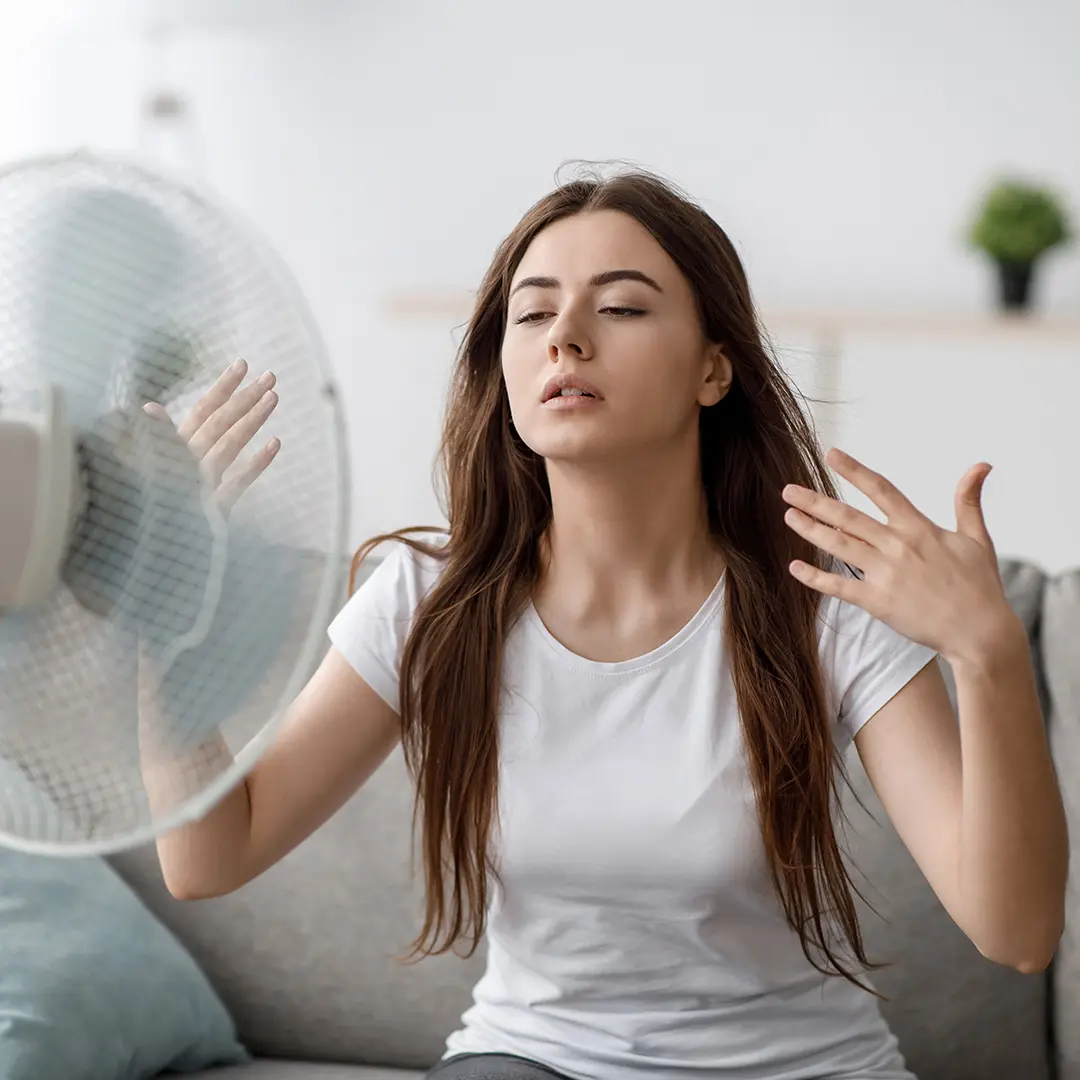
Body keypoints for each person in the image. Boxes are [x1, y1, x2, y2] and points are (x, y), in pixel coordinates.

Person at [151, 167, 1068, 1080]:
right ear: (502, 367)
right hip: (533, 1060)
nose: (566, 340)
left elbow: (1018, 931)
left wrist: (987, 656)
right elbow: (210, 854)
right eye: (534, 313)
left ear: (714, 369)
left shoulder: (825, 609)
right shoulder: (426, 601)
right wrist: (154, 613)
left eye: (622, 309)